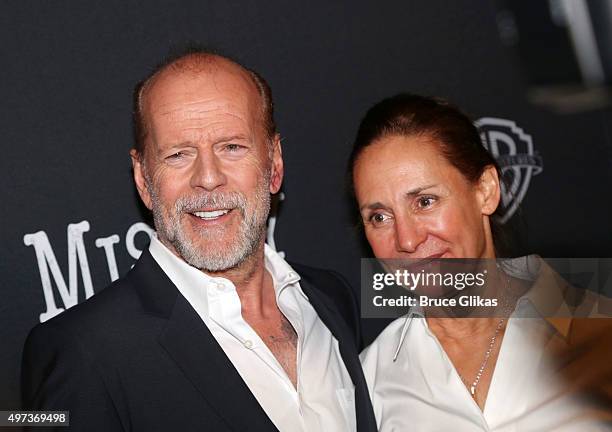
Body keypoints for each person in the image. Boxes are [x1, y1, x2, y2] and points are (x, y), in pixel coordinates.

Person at [21, 49, 376, 432]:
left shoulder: (332, 298)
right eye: (178, 154)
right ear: (143, 179)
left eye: (232, 147)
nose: (207, 177)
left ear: (274, 164)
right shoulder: (81, 350)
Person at [350, 94, 612, 431]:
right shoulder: (369, 384)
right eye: (380, 217)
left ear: (486, 191)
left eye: (425, 201)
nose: (407, 240)